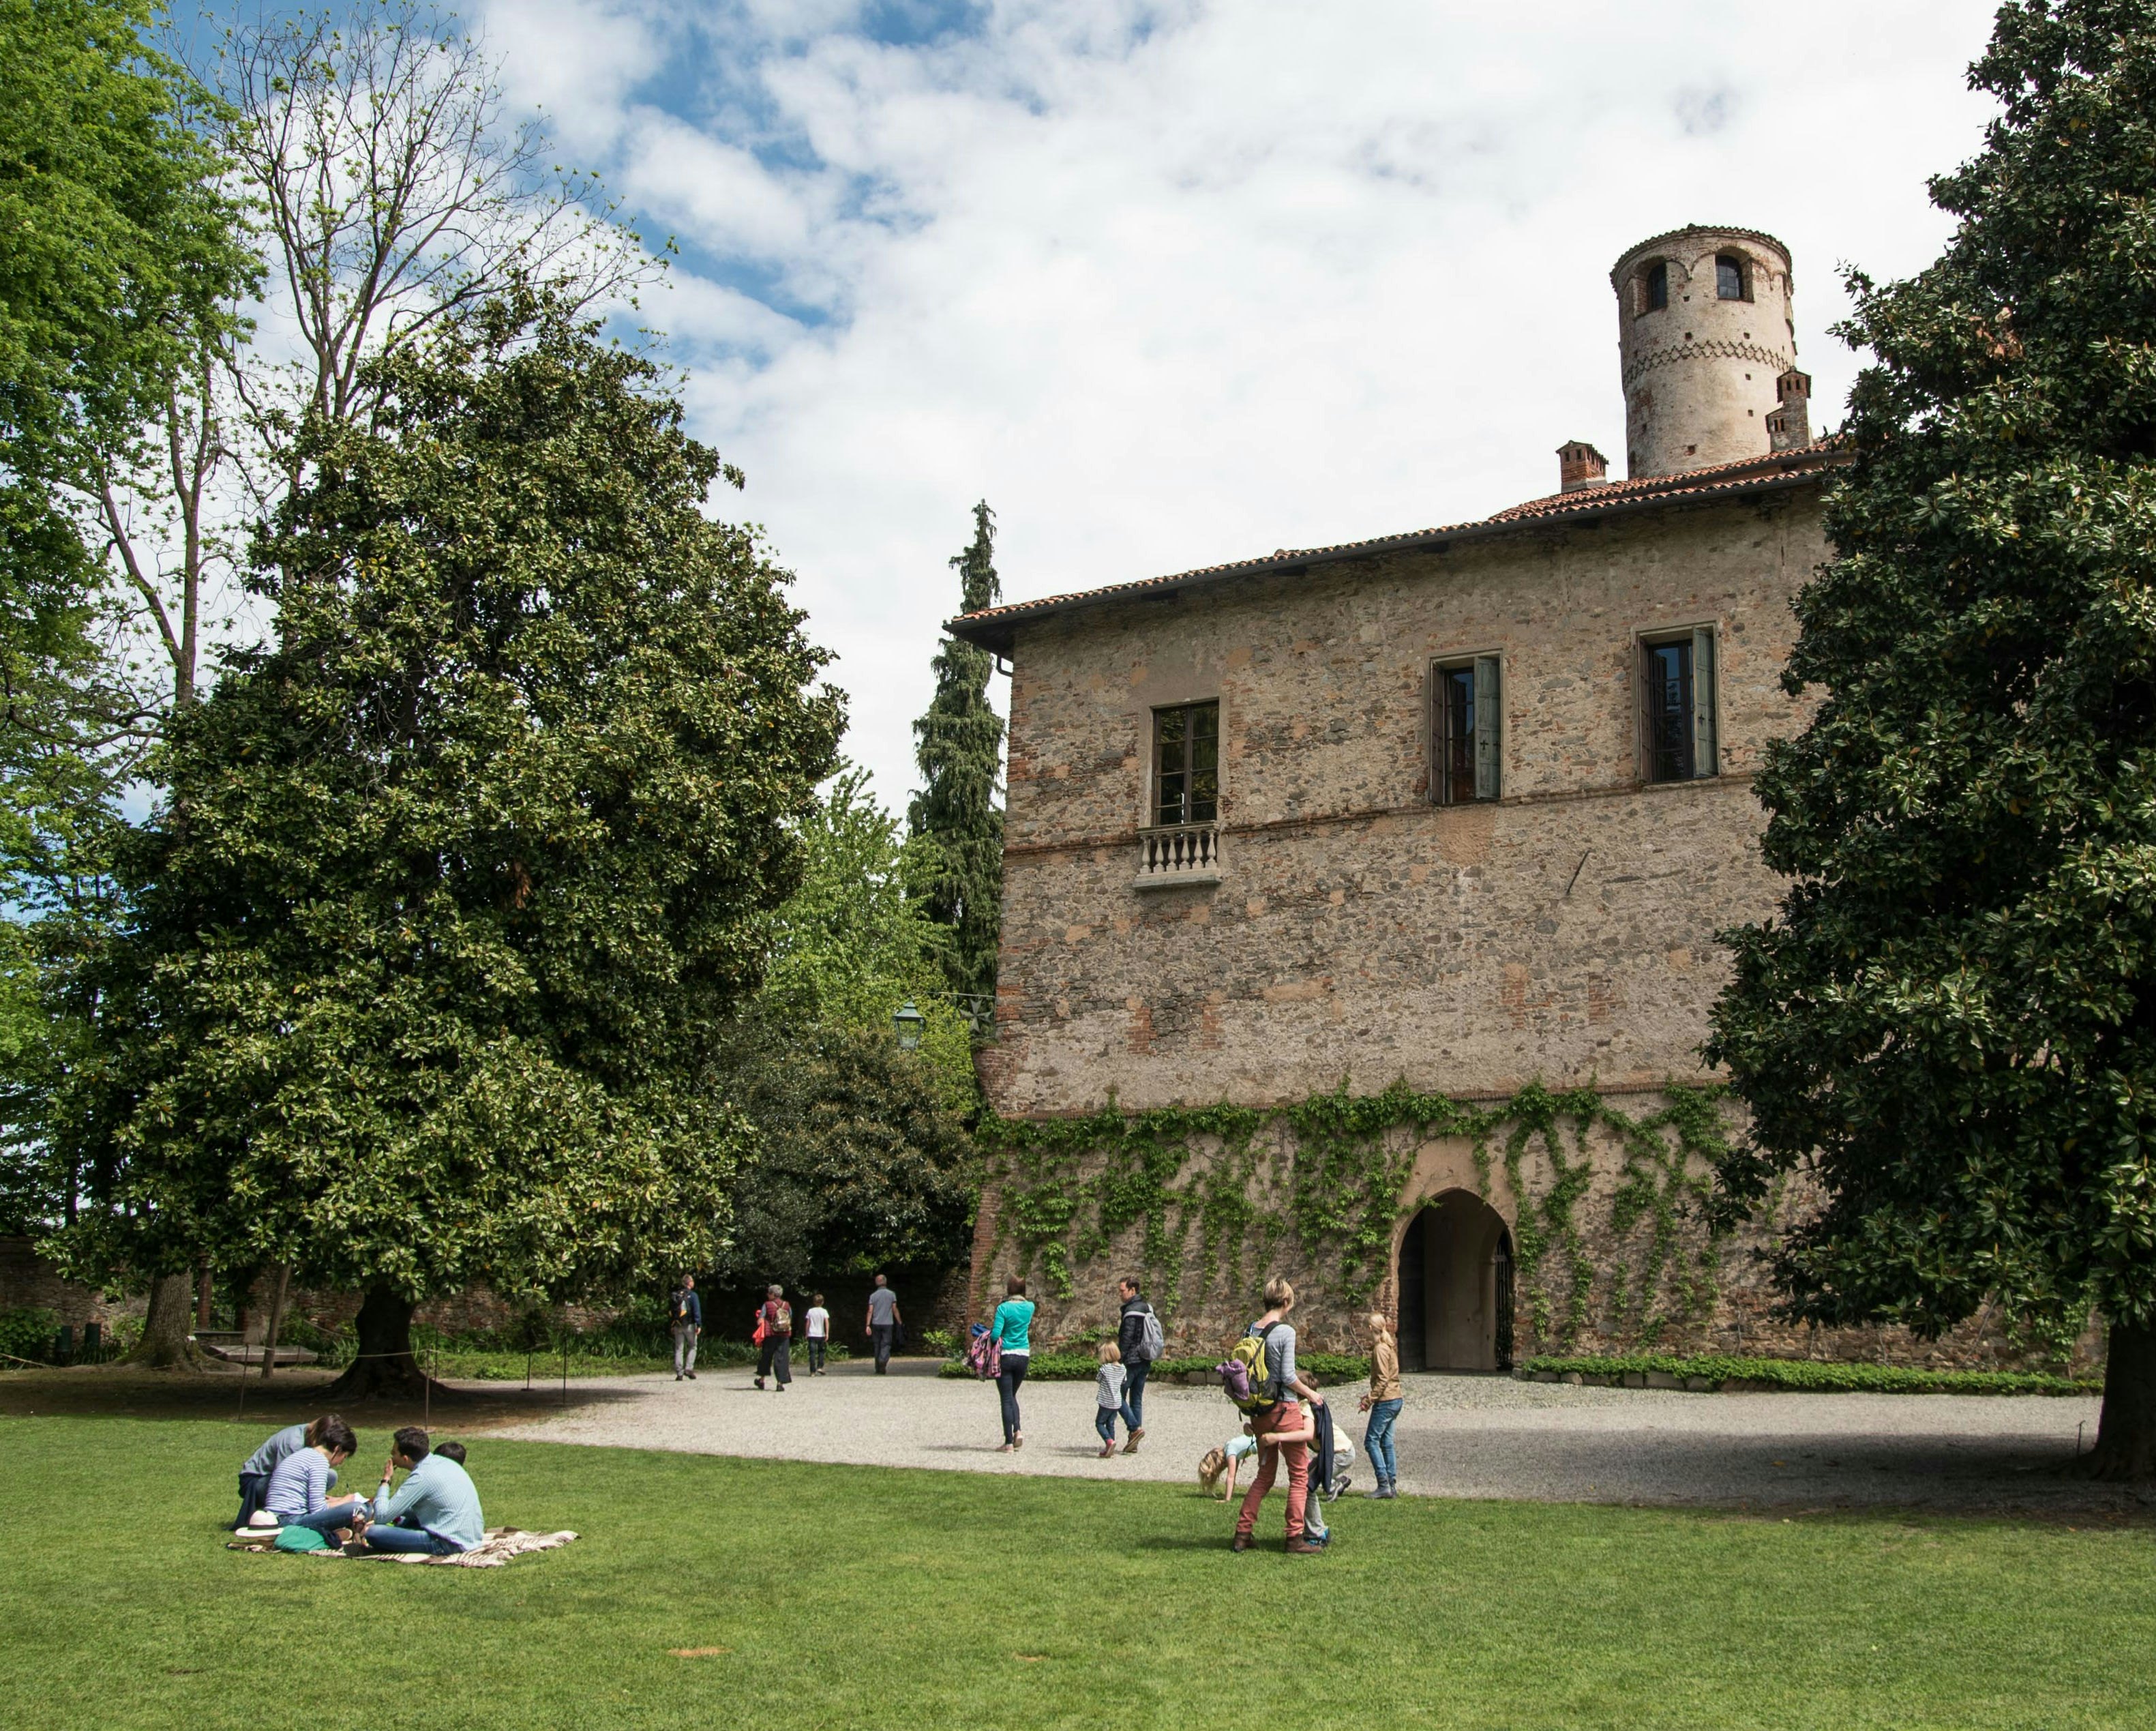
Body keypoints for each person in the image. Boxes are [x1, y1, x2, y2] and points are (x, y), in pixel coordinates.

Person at [1231, 1275, 1327, 1556]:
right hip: (1284, 1409)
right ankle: (1294, 1537)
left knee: (1265, 1475)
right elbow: (1287, 1376)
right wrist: (1311, 1395)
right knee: (1299, 1475)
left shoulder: (1250, 1330)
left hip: (1259, 1412)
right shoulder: (1285, 1332)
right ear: (1286, 1301)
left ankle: (1242, 1534)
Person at [361, 1425, 486, 1556]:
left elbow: (381, 1517)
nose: (392, 1457)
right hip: (469, 1537)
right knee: (405, 1521)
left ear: (405, 1459)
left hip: (448, 1543)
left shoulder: (421, 1476)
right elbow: (424, 1509)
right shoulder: (443, 1462)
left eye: (394, 1453)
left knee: (374, 1532)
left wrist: (386, 1480)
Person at [263, 1416, 368, 1544]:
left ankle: (334, 1533)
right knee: (359, 1509)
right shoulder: (319, 1461)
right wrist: (345, 1501)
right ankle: (329, 1535)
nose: (341, 1462)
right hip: (290, 1520)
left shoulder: (305, 1454)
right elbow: (318, 1510)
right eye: (344, 1456)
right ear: (337, 1449)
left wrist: (338, 1501)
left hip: (274, 1518)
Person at [233, 1415, 340, 1528]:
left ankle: (304, 1508)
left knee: (331, 1476)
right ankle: (286, 1515)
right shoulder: (293, 1443)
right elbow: (282, 1480)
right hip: (255, 1480)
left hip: (271, 1478)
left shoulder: (310, 1435)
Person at [1359, 1308, 1403, 1498]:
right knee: (1386, 1442)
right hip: (1395, 1398)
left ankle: (1384, 1484)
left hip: (1386, 1401)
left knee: (1371, 1441)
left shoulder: (1380, 1349)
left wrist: (1369, 1399)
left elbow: (1383, 1379)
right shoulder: (1388, 1347)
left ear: (1371, 1328)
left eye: (1365, 1328)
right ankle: (1391, 1485)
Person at [1114, 1277, 1158, 1453]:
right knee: (1136, 1400)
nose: (1120, 1294)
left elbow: (1127, 1338)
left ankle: (1134, 1429)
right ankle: (1134, 1442)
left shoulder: (1132, 1311)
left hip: (1132, 1360)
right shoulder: (1148, 1308)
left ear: (1133, 1291)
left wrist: (1118, 1359)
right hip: (1145, 1359)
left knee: (1116, 1395)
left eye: (1122, 1290)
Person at [991, 1275, 1034, 1451]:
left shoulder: (1003, 1308)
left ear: (1009, 1289)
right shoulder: (1030, 1307)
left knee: (1006, 1398)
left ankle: (1009, 1442)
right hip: (1023, 1355)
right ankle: (1018, 1430)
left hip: (1006, 1356)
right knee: (1012, 1395)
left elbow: (995, 1335)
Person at [755, 1284, 794, 1391]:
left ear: (773, 1294)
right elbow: (790, 1317)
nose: (767, 1295)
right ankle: (780, 1383)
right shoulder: (787, 1305)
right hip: (784, 1334)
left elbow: (761, 1319)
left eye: (769, 1293)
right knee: (781, 1358)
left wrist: (760, 1321)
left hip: (770, 1334)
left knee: (766, 1357)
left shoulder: (767, 1305)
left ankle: (762, 1380)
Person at [1094, 1341, 1126, 1458]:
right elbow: (1124, 1382)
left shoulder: (1105, 1368)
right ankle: (1110, 1447)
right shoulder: (1123, 1369)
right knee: (1111, 1423)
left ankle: (1109, 1441)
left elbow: (1098, 1379)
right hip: (1117, 1402)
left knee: (1099, 1423)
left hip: (1106, 1401)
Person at [864, 1274, 901, 1374]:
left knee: (877, 1345)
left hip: (876, 1323)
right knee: (886, 1344)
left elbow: (870, 1311)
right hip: (888, 1323)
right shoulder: (892, 1294)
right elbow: (894, 1309)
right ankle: (882, 1360)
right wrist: (899, 1321)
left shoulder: (873, 1296)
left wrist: (868, 1325)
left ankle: (878, 1368)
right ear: (885, 1282)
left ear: (877, 1283)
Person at [670, 1274, 702, 1381]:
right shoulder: (693, 1295)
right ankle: (688, 1368)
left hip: (677, 1325)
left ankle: (679, 1373)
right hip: (689, 1325)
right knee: (693, 1346)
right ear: (689, 1283)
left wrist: (673, 1324)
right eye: (692, 1281)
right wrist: (698, 1324)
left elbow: (672, 1311)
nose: (693, 1282)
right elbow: (696, 1310)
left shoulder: (676, 1295)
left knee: (679, 1348)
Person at [804, 1293, 830, 1374]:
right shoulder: (824, 1311)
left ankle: (812, 1371)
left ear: (814, 1302)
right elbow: (826, 1322)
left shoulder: (810, 1311)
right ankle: (820, 1367)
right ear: (823, 1302)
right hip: (821, 1334)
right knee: (821, 1351)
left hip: (812, 1334)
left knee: (812, 1352)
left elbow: (808, 1323)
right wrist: (827, 1333)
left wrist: (806, 1333)